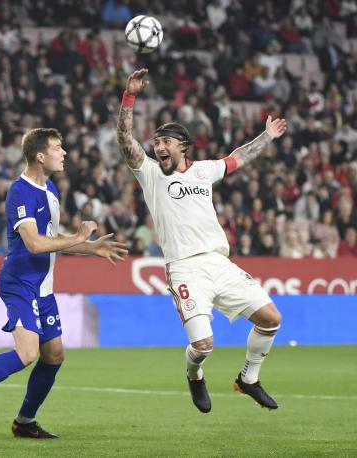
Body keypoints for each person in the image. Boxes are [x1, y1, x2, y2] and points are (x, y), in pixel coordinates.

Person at [0, 128, 128, 440]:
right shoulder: (20, 192)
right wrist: (79, 237)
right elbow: (35, 244)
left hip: (44, 287)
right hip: (20, 282)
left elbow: (53, 240)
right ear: (40, 156)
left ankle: (24, 421)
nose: (64, 153)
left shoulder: (50, 188)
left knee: (54, 355)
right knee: (27, 354)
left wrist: (90, 248)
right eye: (58, 148)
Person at [116, 69, 287, 413]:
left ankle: (248, 379)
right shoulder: (149, 172)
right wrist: (129, 97)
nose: (158, 146)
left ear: (182, 145)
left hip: (217, 262)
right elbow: (125, 140)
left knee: (271, 318)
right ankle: (194, 375)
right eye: (156, 142)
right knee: (203, 345)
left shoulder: (204, 170)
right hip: (184, 268)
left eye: (165, 142)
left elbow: (240, 156)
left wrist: (266, 136)